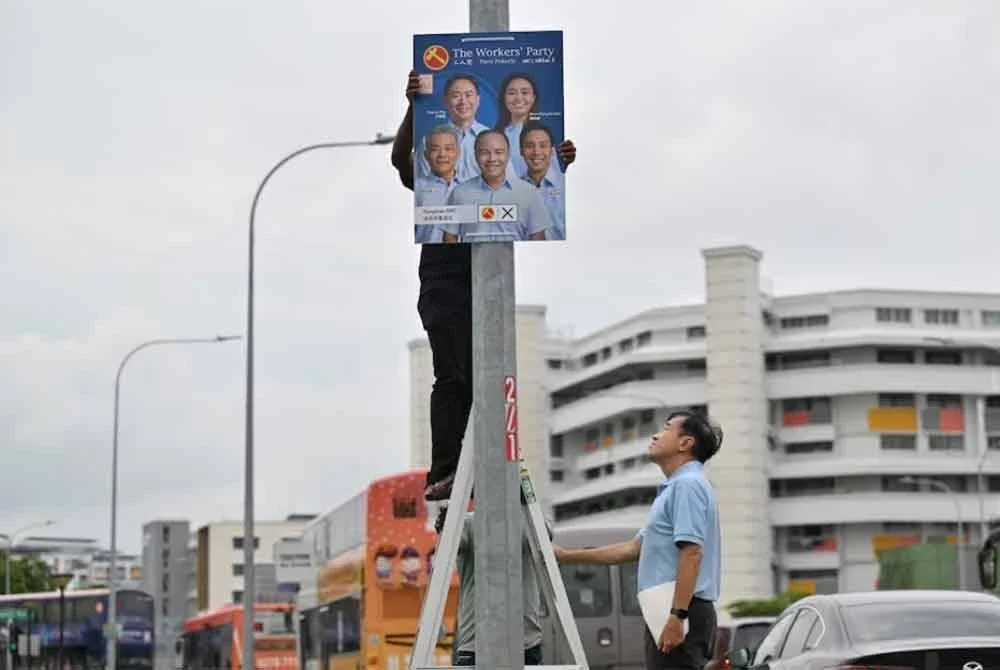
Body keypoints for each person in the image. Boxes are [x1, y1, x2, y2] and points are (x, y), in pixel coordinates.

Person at [391, 69, 577, 501]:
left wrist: (558, 163)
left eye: (497, 152)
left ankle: (488, 467)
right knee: (456, 374)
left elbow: (538, 203)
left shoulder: (509, 179)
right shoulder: (444, 187)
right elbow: (403, 162)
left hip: (490, 287)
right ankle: (450, 471)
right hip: (445, 285)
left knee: (487, 377)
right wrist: (413, 107)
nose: (490, 158)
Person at [553, 411, 723, 669]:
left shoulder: (688, 485)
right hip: (669, 610)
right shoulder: (674, 488)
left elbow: (692, 553)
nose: (655, 435)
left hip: (682, 611)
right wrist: (566, 556)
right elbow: (631, 549)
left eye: (666, 429)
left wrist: (677, 616)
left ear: (685, 443)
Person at [435, 507, 549, 666]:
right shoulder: (468, 524)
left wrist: (526, 505)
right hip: (477, 642)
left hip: (524, 640)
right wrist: (447, 527)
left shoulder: (524, 521)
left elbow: (546, 534)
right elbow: (448, 547)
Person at [440, 129, 551, 242]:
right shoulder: (459, 193)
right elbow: (449, 238)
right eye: (484, 153)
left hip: (514, 258)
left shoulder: (529, 193)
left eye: (499, 152)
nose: (492, 159)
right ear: (475, 156)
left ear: (508, 155)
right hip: (473, 258)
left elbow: (538, 239)